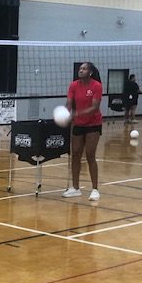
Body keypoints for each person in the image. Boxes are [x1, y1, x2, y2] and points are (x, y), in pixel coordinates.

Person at [62, 62, 102, 202]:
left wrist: (77, 113)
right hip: (78, 124)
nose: (81, 70)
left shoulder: (96, 86)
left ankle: (95, 189)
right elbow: (69, 103)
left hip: (93, 123)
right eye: (80, 69)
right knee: (76, 154)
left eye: (84, 69)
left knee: (90, 154)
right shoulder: (74, 85)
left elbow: (95, 107)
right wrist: (64, 114)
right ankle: (75, 188)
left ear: (90, 72)